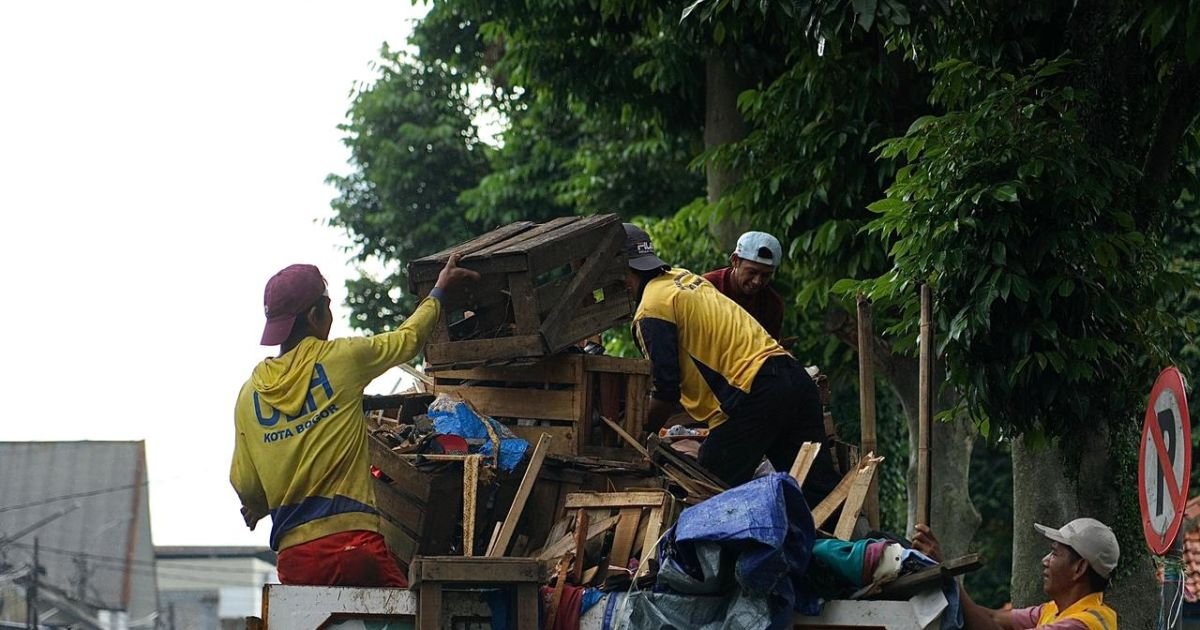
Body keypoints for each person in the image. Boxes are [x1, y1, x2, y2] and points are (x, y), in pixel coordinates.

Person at [230, 255, 478, 587]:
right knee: (413, 613)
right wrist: (438, 292)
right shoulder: (341, 359)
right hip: (353, 546)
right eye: (328, 306)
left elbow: (246, 485)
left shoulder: (249, 395)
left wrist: (259, 505)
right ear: (315, 314)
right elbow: (407, 340)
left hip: (295, 561)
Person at [622, 223, 838, 502]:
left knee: (706, 491)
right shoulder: (684, 278)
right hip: (793, 379)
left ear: (622, 273)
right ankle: (863, 532)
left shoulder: (652, 309)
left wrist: (637, 436)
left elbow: (666, 391)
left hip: (753, 393)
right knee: (821, 497)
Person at [912, 519, 1119, 630]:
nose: (1045, 560)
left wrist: (946, 574)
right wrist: (944, 576)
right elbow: (992, 618)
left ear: (1079, 568)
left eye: (1055, 553)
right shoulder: (1053, 610)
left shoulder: (1081, 624)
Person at [703, 230, 786, 340]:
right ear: (735, 261)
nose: (757, 281)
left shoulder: (772, 305)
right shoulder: (706, 288)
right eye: (751, 272)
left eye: (766, 275)